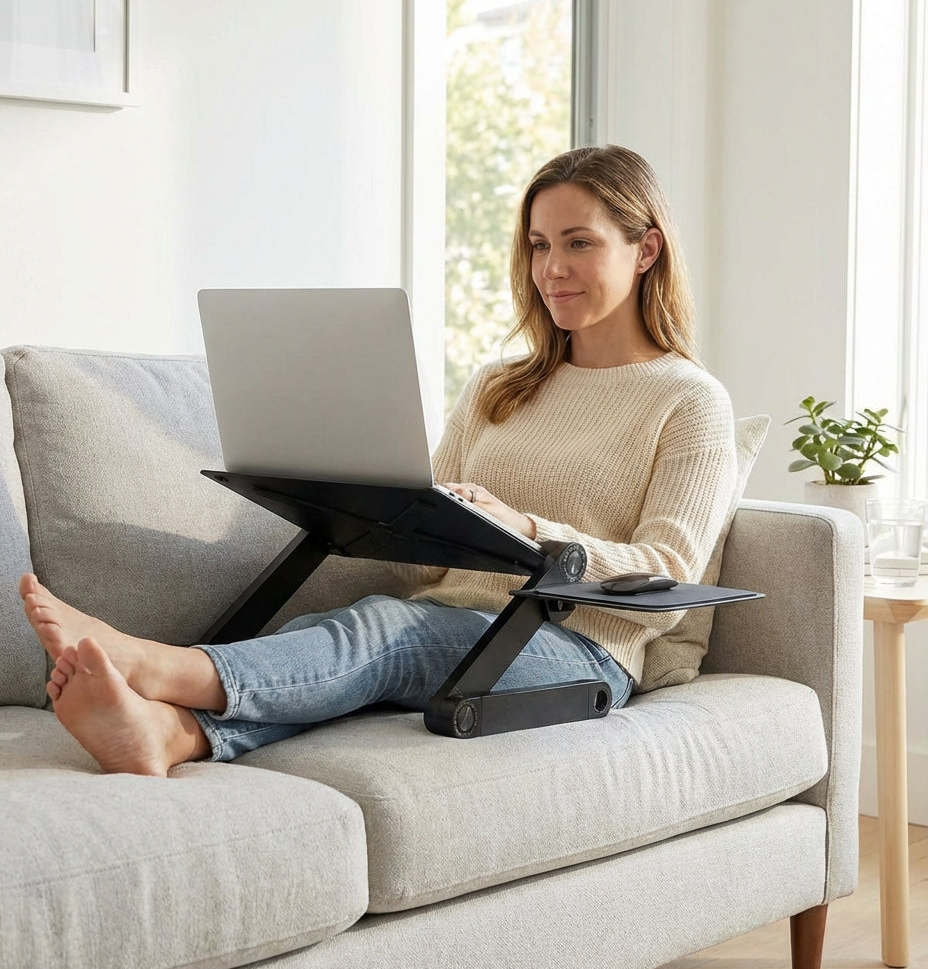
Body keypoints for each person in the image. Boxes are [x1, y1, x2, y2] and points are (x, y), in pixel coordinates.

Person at [19, 145, 738, 777]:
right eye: (539, 244)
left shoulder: (689, 401)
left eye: (578, 243)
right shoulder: (499, 384)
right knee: (353, 632)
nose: (552, 269)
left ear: (645, 249)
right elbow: (426, 565)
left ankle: (159, 665)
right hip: (455, 625)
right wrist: (398, 515)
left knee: (393, 634)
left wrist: (524, 527)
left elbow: (667, 572)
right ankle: (170, 735)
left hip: (581, 654)